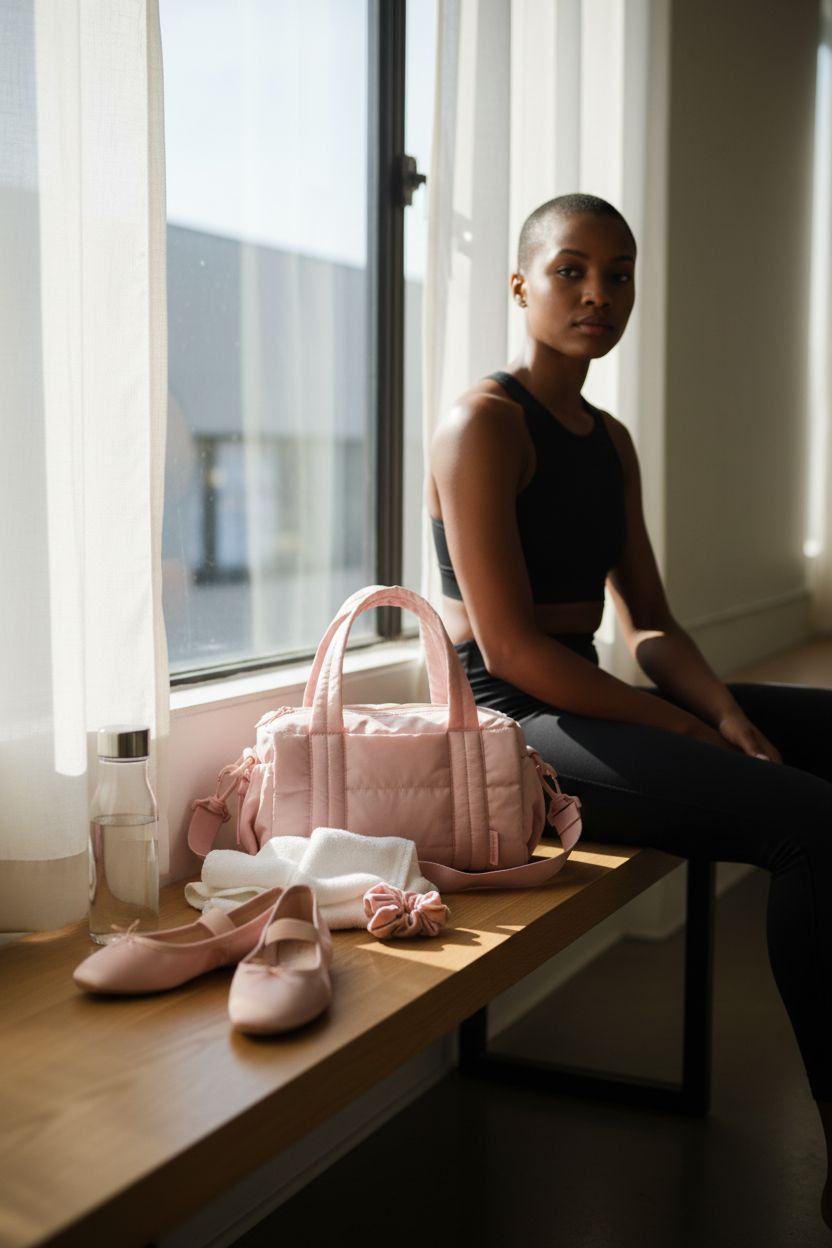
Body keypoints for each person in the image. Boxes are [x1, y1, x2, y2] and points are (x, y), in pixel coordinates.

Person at [428, 191, 832, 1227]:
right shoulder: (482, 425)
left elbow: (647, 619)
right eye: (570, 270)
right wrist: (689, 733)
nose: (596, 293)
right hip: (518, 727)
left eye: (617, 273)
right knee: (812, 828)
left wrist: (722, 716)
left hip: (595, 697)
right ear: (520, 285)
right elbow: (513, 650)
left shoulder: (606, 439)